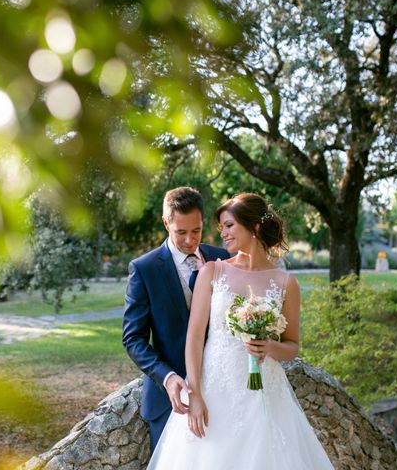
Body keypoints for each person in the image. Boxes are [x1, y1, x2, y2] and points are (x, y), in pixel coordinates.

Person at [147, 193, 334, 469]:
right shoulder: (213, 271)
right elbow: (195, 337)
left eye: (229, 225)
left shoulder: (286, 283)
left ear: (255, 226)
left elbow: (292, 345)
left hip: (265, 395)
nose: (222, 233)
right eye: (222, 227)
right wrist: (195, 394)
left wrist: (269, 347)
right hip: (213, 390)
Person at [122, 186, 229, 452]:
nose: (190, 240)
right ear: (166, 222)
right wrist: (167, 377)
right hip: (171, 401)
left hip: (224, 390)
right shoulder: (144, 269)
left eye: (197, 230)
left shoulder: (222, 258)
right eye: (181, 232)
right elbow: (133, 338)